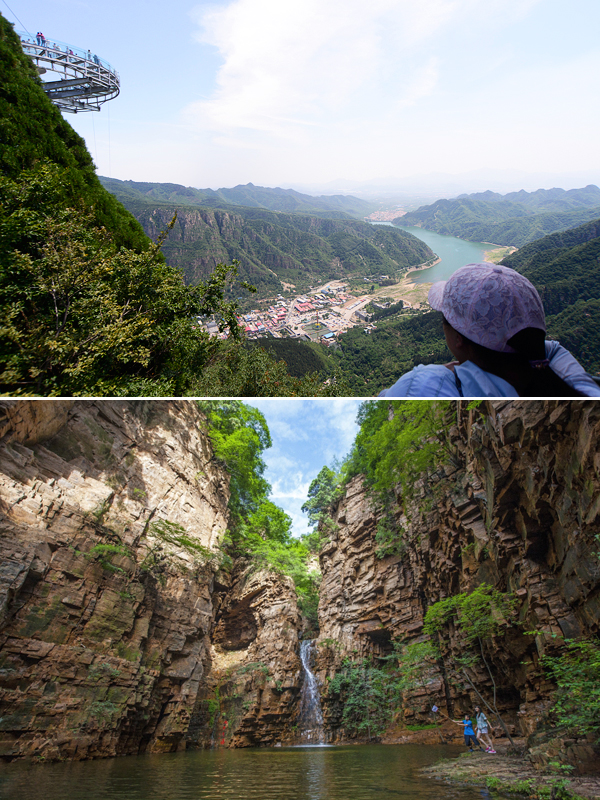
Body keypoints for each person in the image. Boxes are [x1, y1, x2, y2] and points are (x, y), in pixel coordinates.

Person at [379, 262, 600, 398]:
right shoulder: (563, 373)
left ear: (458, 338)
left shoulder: (424, 384)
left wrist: (450, 372)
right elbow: (545, 349)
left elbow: (389, 397)